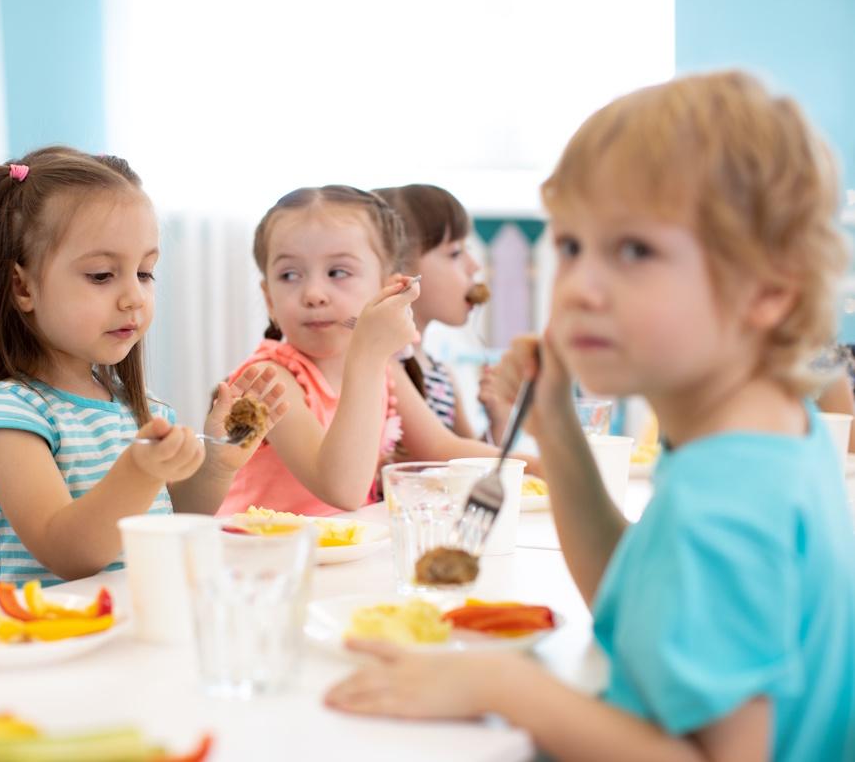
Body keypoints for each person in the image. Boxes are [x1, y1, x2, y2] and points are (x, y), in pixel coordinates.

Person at [326, 71, 855, 760]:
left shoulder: (731, 500)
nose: (579, 286)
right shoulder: (755, 437)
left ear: (767, 291)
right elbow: (633, 601)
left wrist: (506, 686)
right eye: (572, 246)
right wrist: (556, 430)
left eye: (634, 250)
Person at [0, 146, 285, 585]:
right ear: (22, 286)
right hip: (44, 641)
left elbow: (168, 522)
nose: (134, 297)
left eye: (145, 273)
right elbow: (68, 552)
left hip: (126, 631)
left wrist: (217, 464)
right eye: (102, 275)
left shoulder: (142, 409)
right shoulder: (7, 416)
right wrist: (140, 470)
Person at [218, 186, 539, 518]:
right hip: (265, 559)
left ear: (386, 288)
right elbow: (341, 490)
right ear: (269, 299)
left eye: (338, 272)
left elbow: (444, 448)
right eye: (289, 275)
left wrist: (546, 471)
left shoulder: (385, 369)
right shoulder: (267, 380)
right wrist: (368, 356)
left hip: (349, 554)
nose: (313, 294)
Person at [374, 184, 484, 439]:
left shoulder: (441, 374)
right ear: (398, 268)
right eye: (455, 252)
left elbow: (472, 463)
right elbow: (444, 451)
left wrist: (499, 416)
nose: (474, 265)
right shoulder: (384, 366)